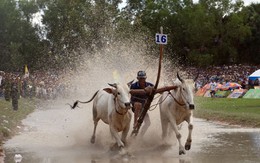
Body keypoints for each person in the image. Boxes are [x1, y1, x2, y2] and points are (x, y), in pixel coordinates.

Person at [130, 70, 154, 136]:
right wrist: (144, 91)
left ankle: (140, 135)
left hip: (144, 107)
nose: (142, 80)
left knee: (148, 123)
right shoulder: (133, 86)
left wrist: (153, 90)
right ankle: (135, 124)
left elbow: (156, 90)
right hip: (135, 106)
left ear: (145, 78)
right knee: (138, 104)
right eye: (140, 78)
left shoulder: (150, 85)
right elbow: (129, 91)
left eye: (143, 78)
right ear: (137, 78)